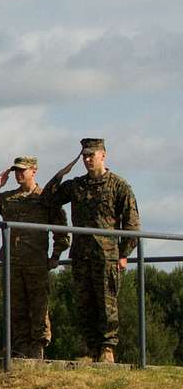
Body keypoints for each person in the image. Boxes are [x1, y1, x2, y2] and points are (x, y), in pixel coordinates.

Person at [43, 138, 140, 362]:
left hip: (107, 256)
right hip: (81, 254)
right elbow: (48, 199)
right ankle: (91, 348)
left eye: (91, 155)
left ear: (103, 155)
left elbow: (132, 224)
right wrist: (63, 171)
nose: (87, 160)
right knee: (84, 304)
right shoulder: (77, 185)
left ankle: (107, 349)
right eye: (84, 156)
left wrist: (124, 254)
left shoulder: (118, 185)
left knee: (107, 304)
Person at [0, 156, 68, 360]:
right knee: (16, 307)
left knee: (39, 306)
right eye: (16, 171)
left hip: (37, 262)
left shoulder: (45, 199)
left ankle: (37, 347)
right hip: (12, 262)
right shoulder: (8, 198)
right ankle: (19, 348)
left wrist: (55, 255)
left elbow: (62, 231)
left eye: (23, 170)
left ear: (34, 171)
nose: (19, 174)